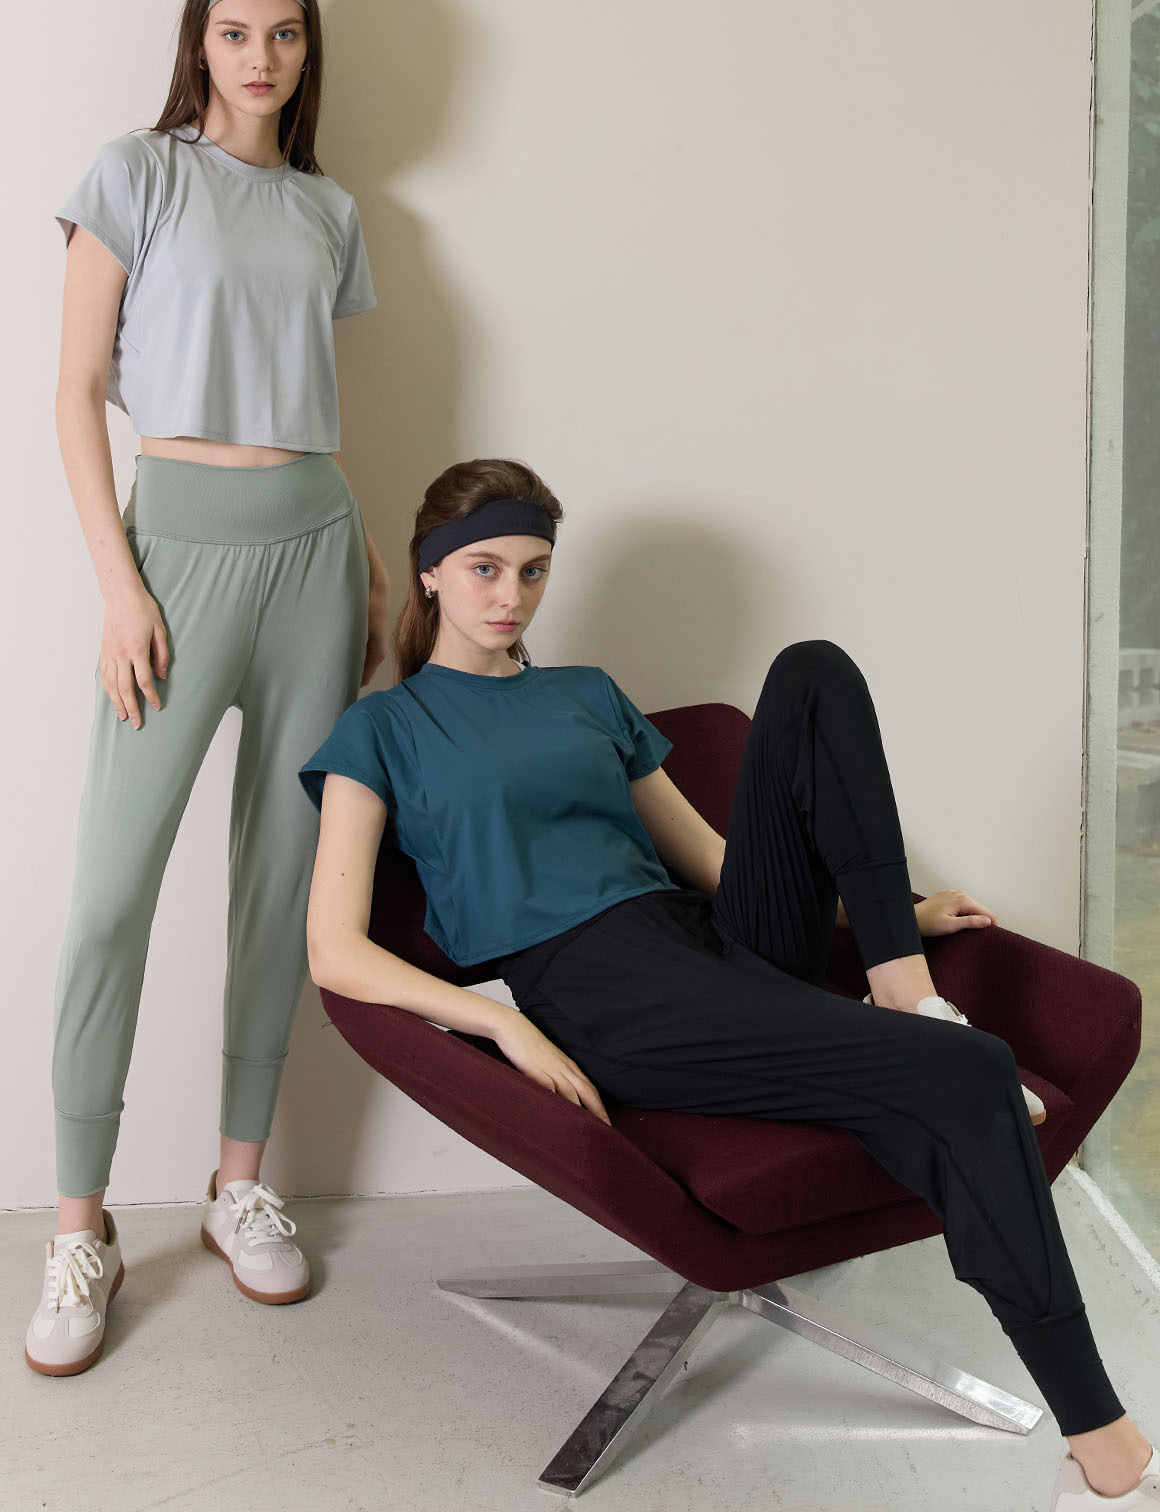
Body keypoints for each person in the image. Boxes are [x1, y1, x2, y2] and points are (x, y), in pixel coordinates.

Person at [299, 458, 1157, 1510]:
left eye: (531, 570)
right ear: (430, 571)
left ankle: (899, 988)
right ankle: (1101, 1444)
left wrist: (892, 915)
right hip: (604, 993)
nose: (509, 595)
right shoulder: (383, 730)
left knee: (813, 670)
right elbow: (334, 952)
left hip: (710, 939)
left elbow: (711, 863)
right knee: (971, 1072)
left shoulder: (586, 695)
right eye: (483, 568)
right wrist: (496, 1022)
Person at [26, 0, 390, 1378]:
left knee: (282, 878)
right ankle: (82, 1226)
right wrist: (119, 584)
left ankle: (240, 1181)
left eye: (285, 33)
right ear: (200, 42)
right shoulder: (137, 174)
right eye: (235, 31)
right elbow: (73, 393)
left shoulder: (329, 211)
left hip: (317, 550)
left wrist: (366, 560)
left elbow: (315, 398)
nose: (260, 55)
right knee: (109, 895)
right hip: (174, 551)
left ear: (306, 53)